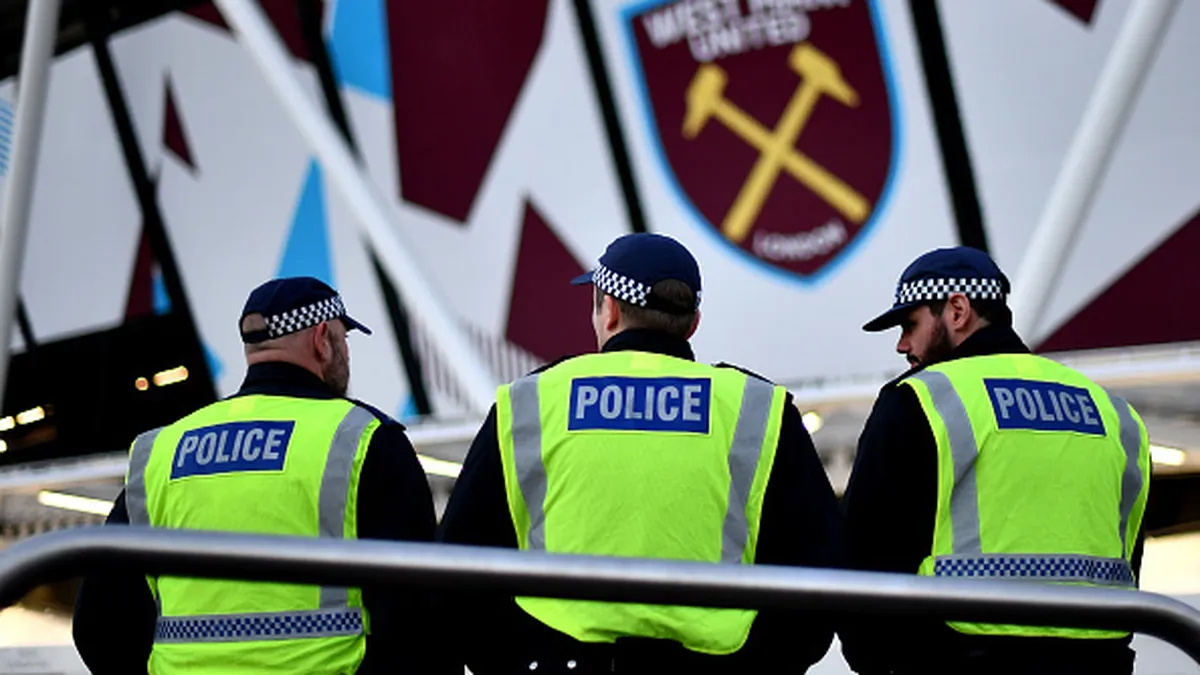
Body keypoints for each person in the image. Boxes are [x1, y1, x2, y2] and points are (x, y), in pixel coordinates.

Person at [438, 232, 844, 674]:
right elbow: (817, 575)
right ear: (693, 323)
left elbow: (457, 567)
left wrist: (520, 663)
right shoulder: (757, 408)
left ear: (610, 310)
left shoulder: (530, 402)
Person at [73, 277, 448, 674]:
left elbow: (100, 621)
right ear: (322, 338)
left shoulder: (161, 451)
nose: (346, 354)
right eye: (344, 338)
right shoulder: (362, 438)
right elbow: (418, 617)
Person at [839, 247, 1151, 675]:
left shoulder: (920, 399)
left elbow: (867, 554)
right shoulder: (1114, 413)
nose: (902, 345)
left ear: (957, 310)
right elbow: (1127, 554)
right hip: (1098, 664)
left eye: (910, 324)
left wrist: (878, 662)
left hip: (955, 661)